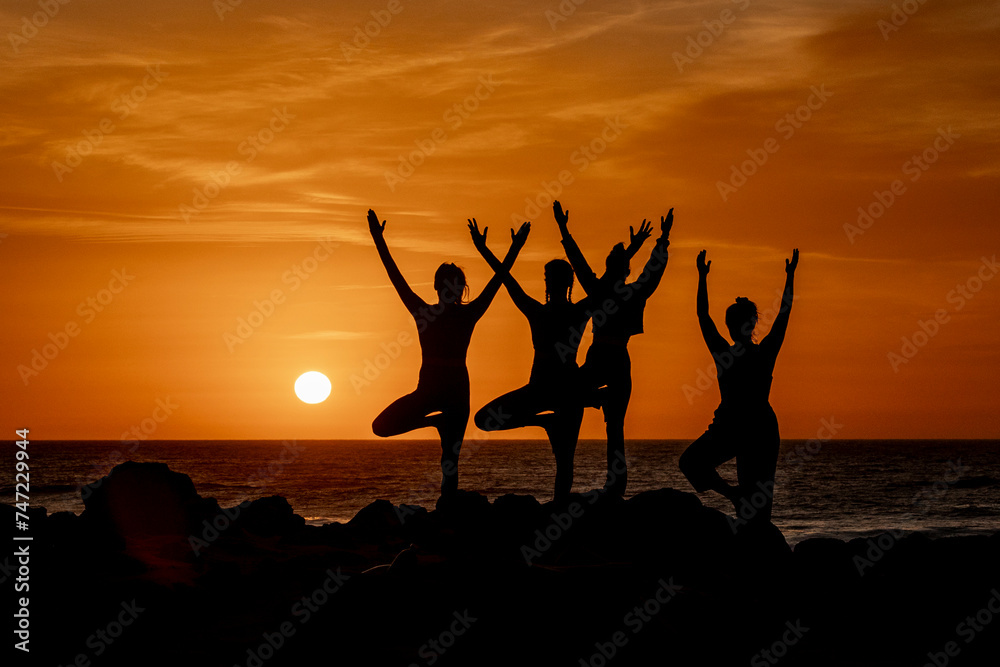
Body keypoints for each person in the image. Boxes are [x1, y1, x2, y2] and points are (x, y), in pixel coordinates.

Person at [367, 208, 528, 497]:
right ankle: (436, 423)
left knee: (450, 460)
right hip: (434, 390)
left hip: (453, 391)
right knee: (384, 428)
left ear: (459, 289)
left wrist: (515, 248)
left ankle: (448, 507)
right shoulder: (429, 313)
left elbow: (497, 281)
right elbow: (396, 278)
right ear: (439, 287)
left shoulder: (461, 314)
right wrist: (378, 240)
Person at [553, 200, 673, 497]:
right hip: (618, 357)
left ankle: (597, 404)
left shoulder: (598, 289)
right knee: (615, 426)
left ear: (608, 268)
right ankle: (615, 486)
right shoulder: (633, 292)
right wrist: (663, 239)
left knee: (569, 394)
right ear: (626, 270)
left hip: (600, 356)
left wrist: (564, 231)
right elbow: (653, 271)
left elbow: (579, 263)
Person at [468, 218, 591, 501]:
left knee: (565, 460)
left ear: (558, 283)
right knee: (565, 461)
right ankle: (545, 425)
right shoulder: (570, 311)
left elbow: (506, 279)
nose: (550, 283)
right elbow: (506, 279)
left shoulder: (550, 311)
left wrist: (487, 249)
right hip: (550, 389)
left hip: (557, 390)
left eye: (551, 279)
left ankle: (558, 506)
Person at [679, 248, 800, 525]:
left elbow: (703, 316)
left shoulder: (731, 353)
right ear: (753, 323)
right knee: (753, 502)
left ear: (734, 326)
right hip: (745, 427)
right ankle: (736, 497)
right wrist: (790, 277)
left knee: (756, 507)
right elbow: (784, 313)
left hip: (751, 429)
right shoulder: (759, 353)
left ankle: (739, 504)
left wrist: (702, 277)